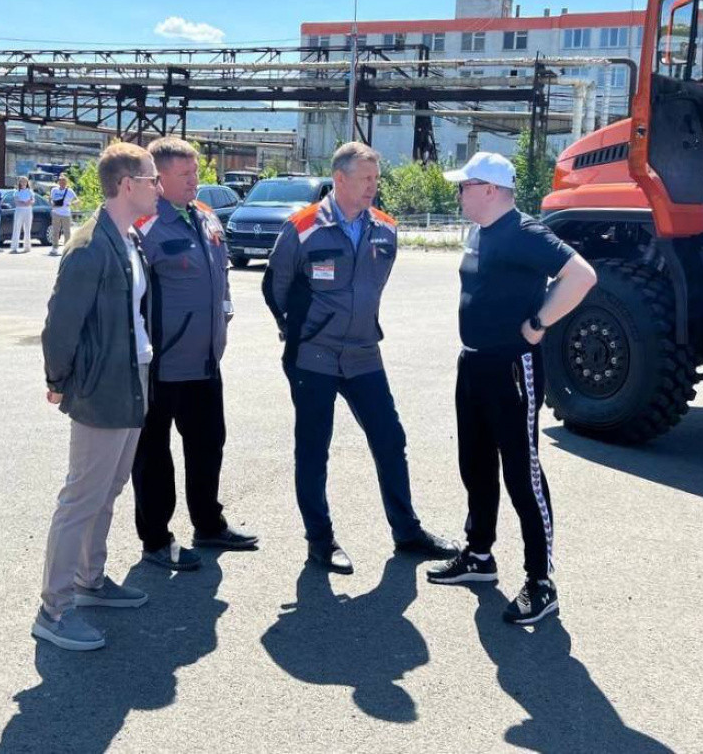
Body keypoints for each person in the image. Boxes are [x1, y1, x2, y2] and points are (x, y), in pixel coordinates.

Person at [262, 141, 455, 574]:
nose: (373, 186)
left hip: (364, 353)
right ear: (340, 179)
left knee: (390, 439)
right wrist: (297, 329)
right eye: (366, 178)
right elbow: (275, 286)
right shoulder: (302, 227)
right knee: (314, 449)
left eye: (376, 178)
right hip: (314, 355)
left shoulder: (385, 228)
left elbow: (373, 287)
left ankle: (407, 532)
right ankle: (320, 540)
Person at [427, 151, 597, 625]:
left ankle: (541, 582)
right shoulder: (481, 231)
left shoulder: (525, 232)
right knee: (475, 464)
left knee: (522, 474)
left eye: (464, 186)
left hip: (511, 368)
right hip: (474, 363)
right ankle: (479, 555)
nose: (458, 194)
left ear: (489, 190)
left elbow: (582, 276)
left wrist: (539, 323)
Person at [33, 142, 160, 651]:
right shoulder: (89, 246)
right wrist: (58, 380)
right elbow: (60, 325)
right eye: (151, 179)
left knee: (108, 490)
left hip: (132, 378)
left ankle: (90, 580)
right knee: (81, 498)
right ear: (127, 185)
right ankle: (54, 609)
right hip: (101, 386)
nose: (158, 187)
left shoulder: (129, 239)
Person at [132, 137, 257, 571]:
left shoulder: (205, 217)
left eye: (196, 172)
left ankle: (208, 524)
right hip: (161, 365)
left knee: (208, 445)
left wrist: (224, 315)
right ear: (158, 178)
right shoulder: (144, 225)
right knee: (154, 456)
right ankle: (156, 539)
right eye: (185, 174)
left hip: (205, 361)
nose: (194, 181)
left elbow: (222, 277)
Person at [49, 173, 79, 256]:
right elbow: (50, 199)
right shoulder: (54, 190)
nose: (62, 182)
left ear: (66, 182)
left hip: (66, 213)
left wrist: (71, 203)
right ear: (58, 182)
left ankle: (67, 248)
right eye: (60, 181)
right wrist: (52, 203)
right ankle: (54, 248)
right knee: (55, 231)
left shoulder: (69, 191)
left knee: (67, 232)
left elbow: (77, 200)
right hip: (56, 212)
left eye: (63, 181)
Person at [10, 176, 34, 253]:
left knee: (27, 229)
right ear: (19, 183)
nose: (23, 183)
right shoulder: (17, 192)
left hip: (28, 211)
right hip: (19, 211)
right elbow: (17, 202)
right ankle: (14, 247)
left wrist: (27, 203)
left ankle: (27, 247)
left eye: (25, 181)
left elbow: (32, 201)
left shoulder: (30, 191)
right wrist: (25, 203)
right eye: (22, 181)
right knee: (17, 228)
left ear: (27, 183)